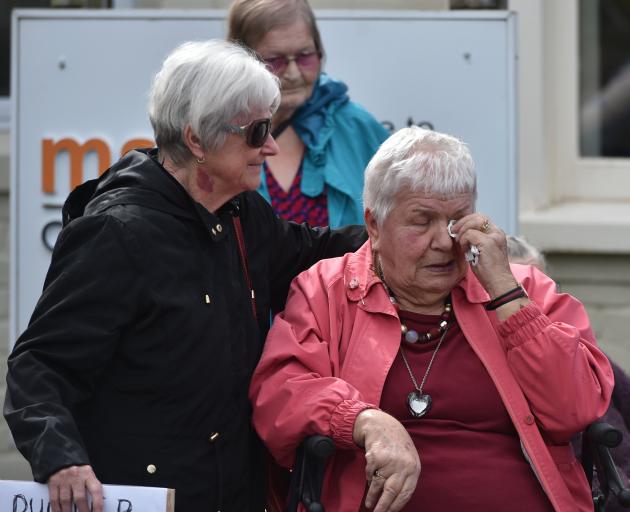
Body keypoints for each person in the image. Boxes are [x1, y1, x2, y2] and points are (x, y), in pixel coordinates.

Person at [3, 40, 367, 512]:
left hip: (233, 492)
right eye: (258, 131)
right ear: (197, 141)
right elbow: (40, 366)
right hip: (145, 494)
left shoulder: (242, 213)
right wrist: (61, 461)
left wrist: (400, 234)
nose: (272, 146)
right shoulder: (115, 233)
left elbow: (315, 253)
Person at [249, 126, 615, 512]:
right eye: (422, 221)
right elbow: (280, 393)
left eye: (458, 220)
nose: (445, 240)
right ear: (374, 225)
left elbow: (575, 411)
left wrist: (506, 294)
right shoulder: (326, 289)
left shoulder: (524, 290)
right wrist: (361, 419)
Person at [227, 0, 389, 228]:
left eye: (304, 56)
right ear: (241, 60)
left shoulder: (355, 126)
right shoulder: (221, 133)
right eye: (275, 60)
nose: (293, 73)